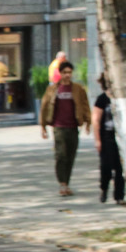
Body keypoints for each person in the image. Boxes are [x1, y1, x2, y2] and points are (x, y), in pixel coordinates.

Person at [38, 60, 90, 197]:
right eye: (65, 72)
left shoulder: (78, 89)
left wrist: (88, 122)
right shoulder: (53, 89)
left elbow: (85, 105)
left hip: (73, 127)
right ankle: (62, 184)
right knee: (61, 155)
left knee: (70, 156)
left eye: (69, 72)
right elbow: (44, 107)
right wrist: (43, 126)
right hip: (59, 127)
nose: (67, 75)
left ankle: (66, 183)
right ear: (60, 73)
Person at [92, 75, 125, 205]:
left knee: (119, 168)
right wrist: (97, 140)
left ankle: (119, 196)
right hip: (106, 136)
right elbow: (96, 120)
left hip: (120, 137)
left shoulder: (120, 98)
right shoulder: (102, 99)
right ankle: (104, 188)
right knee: (106, 166)